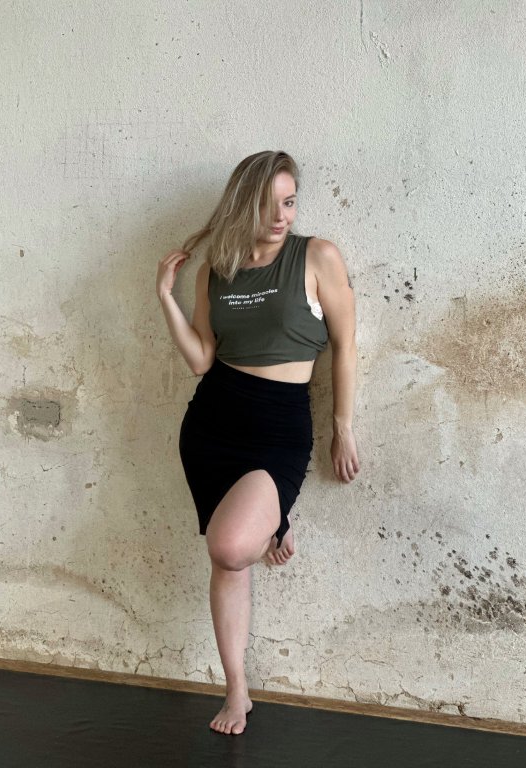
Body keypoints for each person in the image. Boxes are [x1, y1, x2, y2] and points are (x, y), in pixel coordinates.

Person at [155, 150, 360, 735]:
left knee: (229, 546)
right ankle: (237, 690)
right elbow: (202, 359)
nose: (281, 217)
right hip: (213, 423)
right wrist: (165, 296)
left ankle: (273, 519)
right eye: (269, 205)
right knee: (226, 560)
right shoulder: (216, 271)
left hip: (278, 427)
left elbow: (345, 346)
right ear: (241, 205)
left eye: (289, 203)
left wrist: (342, 426)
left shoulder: (316, 256)